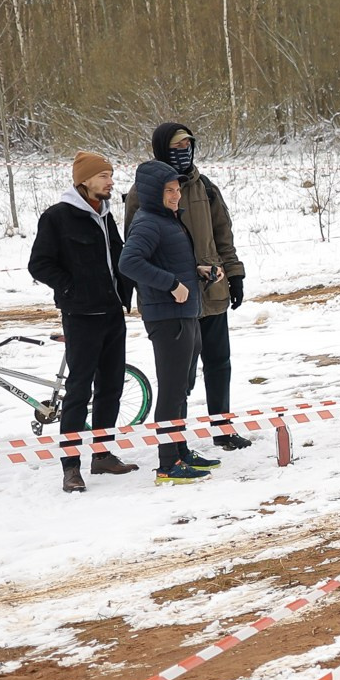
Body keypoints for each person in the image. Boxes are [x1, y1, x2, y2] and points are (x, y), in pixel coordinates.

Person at [122, 121, 250, 449]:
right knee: (181, 376)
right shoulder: (143, 193)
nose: (184, 152)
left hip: (213, 292)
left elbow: (223, 234)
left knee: (220, 364)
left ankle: (222, 428)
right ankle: (177, 445)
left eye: (188, 145)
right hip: (175, 299)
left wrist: (234, 274)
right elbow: (136, 250)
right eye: (176, 147)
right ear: (162, 149)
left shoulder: (205, 187)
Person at [27, 151, 139, 491]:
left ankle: (102, 456)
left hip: (112, 313)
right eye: (104, 175)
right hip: (81, 317)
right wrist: (71, 287)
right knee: (78, 391)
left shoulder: (106, 216)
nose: (110, 181)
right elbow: (39, 264)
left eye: (110, 174)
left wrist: (127, 290)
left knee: (111, 388)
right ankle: (71, 467)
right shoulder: (58, 217)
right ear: (84, 180)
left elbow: (117, 256)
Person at [118, 159, 222, 486]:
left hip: (185, 313)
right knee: (172, 390)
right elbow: (129, 262)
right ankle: (167, 465)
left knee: (182, 390)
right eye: (169, 190)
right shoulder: (148, 221)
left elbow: (171, 261)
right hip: (168, 316)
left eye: (178, 189)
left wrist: (198, 273)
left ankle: (181, 451)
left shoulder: (169, 220)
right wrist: (172, 285)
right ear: (153, 192)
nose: (177, 195)